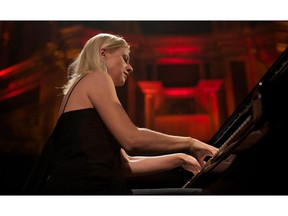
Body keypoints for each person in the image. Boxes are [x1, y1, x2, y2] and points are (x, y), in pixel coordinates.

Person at [22, 33, 219, 195]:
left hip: (86, 190)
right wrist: (190, 142)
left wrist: (181, 158)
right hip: (86, 191)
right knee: (199, 197)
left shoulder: (84, 85)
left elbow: (126, 164)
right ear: (103, 53)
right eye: (124, 58)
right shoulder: (96, 77)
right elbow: (132, 138)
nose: (130, 67)